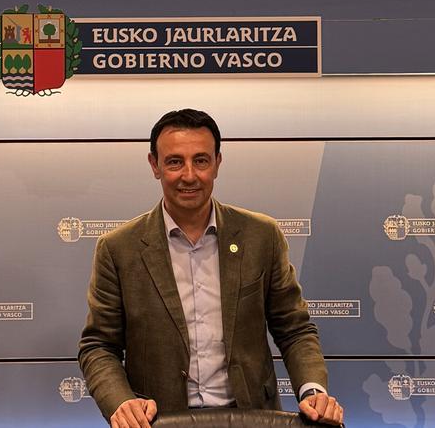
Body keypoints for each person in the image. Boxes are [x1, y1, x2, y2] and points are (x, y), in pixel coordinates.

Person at [78, 109, 343, 428]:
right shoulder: (119, 248)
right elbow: (99, 346)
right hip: (160, 422)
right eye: (175, 162)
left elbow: (294, 328)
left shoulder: (262, 236)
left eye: (201, 160)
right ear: (155, 166)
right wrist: (122, 402)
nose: (189, 175)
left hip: (253, 418)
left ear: (218, 163)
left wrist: (312, 389)